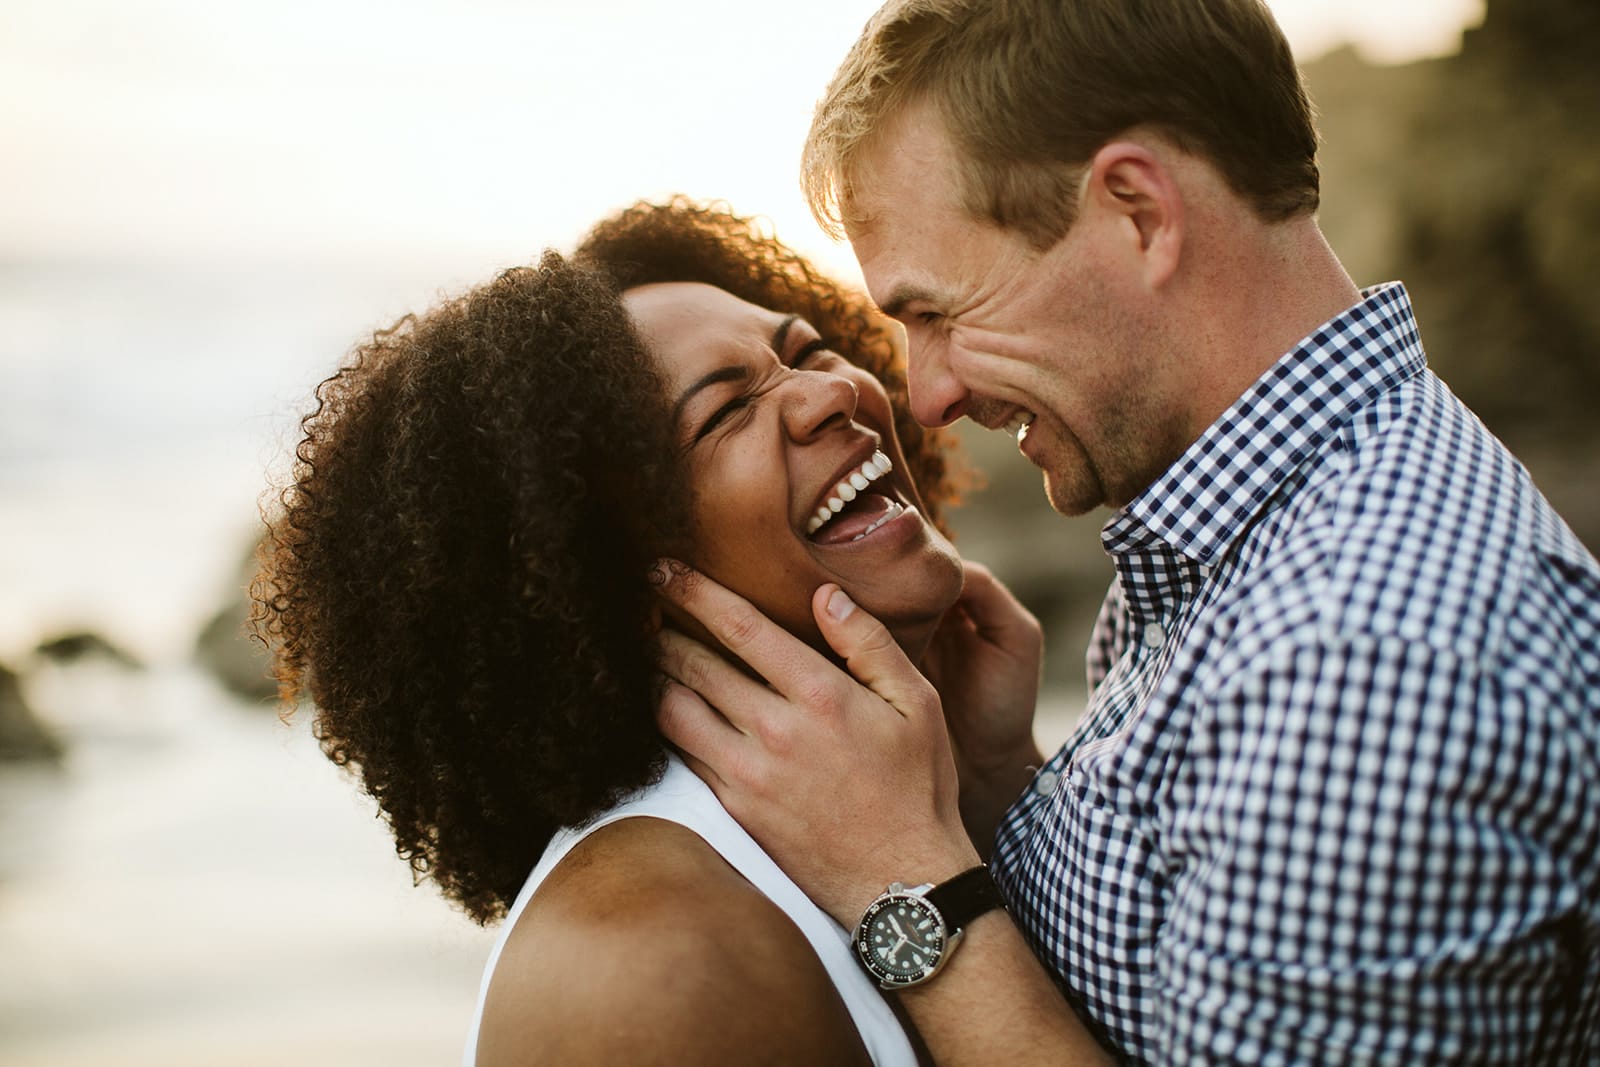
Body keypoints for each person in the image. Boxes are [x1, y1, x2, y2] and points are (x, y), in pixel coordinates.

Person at [652, 1, 1600, 1064]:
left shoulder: (1364, 655)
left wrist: (898, 876)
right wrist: (999, 777)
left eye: (940, 314)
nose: (927, 396)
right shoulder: (1247, 531)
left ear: (1138, 212)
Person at [251, 198, 1034, 1065]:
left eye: (807, 349)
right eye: (725, 411)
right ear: (599, 583)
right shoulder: (650, 962)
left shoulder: (884, 819)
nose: (831, 391)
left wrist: (990, 791)